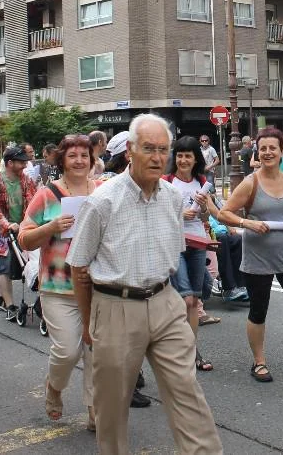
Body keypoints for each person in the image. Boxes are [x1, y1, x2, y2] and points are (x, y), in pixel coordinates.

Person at [67, 114, 222, 455]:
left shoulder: (172, 197)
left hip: (165, 301)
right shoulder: (103, 200)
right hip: (115, 306)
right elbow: (79, 266)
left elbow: (175, 251)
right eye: (149, 148)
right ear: (130, 151)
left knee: (187, 392)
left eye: (163, 150)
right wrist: (89, 323)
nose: (157, 157)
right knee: (112, 403)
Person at [216, 127, 283, 382]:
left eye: (272, 148)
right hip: (257, 260)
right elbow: (224, 213)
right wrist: (247, 223)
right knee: (258, 311)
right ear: (257, 152)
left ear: (282, 151)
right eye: (262, 148)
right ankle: (259, 362)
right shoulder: (250, 183)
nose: (267, 152)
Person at [18, 134, 103, 431]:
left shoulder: (103, 190)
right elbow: (24, 238)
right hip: (58, 287)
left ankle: (95, 411)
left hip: (98, 286)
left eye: (84, 155)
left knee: (97, 352)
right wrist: (51, 227)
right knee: (67, 351)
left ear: (92, 159)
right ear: (62, 161)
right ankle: (54, 387)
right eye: (72, 155)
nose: (79, 161)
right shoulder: (47, 194)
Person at [91, 128, 151, 408]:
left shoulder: (143, 184)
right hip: (117, 267)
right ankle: (125, 384)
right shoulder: (108, 186)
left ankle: (131, 377)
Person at [163, 136, 218, 371]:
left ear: (196, 159)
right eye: (180, 155)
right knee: (185, 298)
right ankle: (182, 350)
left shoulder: (201, 181)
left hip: (197, 242)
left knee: (194, 300)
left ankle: (192, 351)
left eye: (188, 156)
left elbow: (206, 216)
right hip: (175, 244)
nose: (183, 160)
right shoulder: (166, 182)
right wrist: (179, 214)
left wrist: (203, 206)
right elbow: (157, 214)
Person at [0, 146, 37, 322]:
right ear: (10, 163)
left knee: (26, 264)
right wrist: (7, 224)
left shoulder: (26, 180)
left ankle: (2, 298)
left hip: (22, 228)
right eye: (21, 162)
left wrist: (29, 223)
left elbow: (34, 202)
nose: (25, 165)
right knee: (3, 266)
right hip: (0, 230)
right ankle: (9, 306)